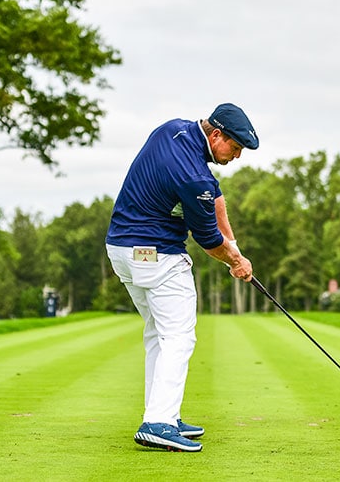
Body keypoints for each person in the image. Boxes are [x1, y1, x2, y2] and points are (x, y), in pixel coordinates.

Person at [105, 103, 258, 452]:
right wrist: (236, 261)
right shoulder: (193, 177)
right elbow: (208, 241)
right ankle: (158, 422)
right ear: (216, 135)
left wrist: (236, 247)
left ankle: (165, 415)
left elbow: (215, 196)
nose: (236, 157)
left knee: (158, 334)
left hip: (121, 252)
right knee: (179, 336)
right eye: (234, 149)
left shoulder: (174, 130)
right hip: (157, 256)